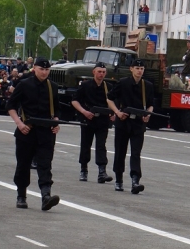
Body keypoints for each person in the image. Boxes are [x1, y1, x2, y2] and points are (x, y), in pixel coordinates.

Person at [6, 57, 61, 210]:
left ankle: (46, 196)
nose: (44, 72)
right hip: (27, 131)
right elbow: (11, 106)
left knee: (45, 165)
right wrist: (19, 123)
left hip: (46, 132)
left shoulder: (53, 87)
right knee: (23, 165)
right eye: (41, 69)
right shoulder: (24, 84)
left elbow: (56, 110)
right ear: (34, 69)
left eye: (47, 69)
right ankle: (21, 195)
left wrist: (56, 122)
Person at [107, 58, 152, 194]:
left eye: (142, 69)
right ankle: (119, 179)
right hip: (123, 121)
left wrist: (148, 114)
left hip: (138, 123)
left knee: (136, 153)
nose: (139, 71)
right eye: (137, 68)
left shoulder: (147, 85)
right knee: (120, 151)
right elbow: (109, 98)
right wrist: (117, 112)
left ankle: (135, 180)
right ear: (131, 69)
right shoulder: (123, 83)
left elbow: (150, 104)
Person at [71, 63, 114, 183]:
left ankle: (102, 172)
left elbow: (113, 102)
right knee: (85, 145)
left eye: (103, 72)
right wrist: (84, 112)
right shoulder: (85, 85)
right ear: (93, 72)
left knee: (101, 146)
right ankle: (83, 170)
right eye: (99, 71)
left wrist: (114, 113)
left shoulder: (108, 87)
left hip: (103, 120)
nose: (101, 74)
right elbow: (74, 101)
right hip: (88, 119)